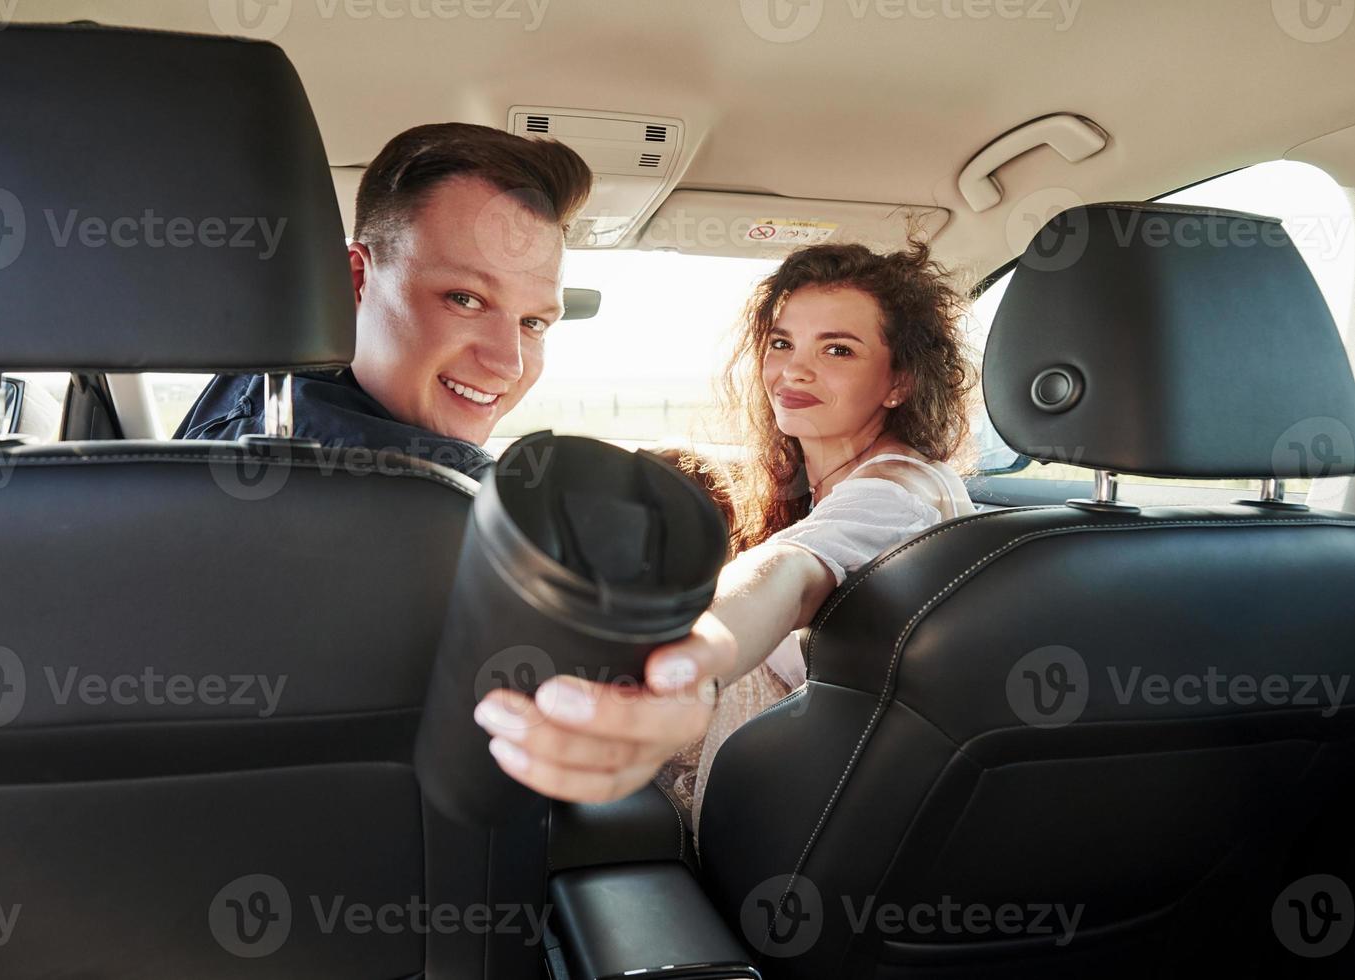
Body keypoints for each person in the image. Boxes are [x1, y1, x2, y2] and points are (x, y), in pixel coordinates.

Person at [473, 241, 976, 827]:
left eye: (838, 349)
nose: (795, 370)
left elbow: (791, 569)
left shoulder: (894, 494)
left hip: (788, 813)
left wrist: (689, 668)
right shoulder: (842, 479)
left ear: (900, 382)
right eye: (782, 343)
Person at [175, 122, 593, 478]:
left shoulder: (258, 390)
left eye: (533, 323)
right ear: (356, 280)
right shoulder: (451, 494)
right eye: (465, 299)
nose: (508, 364)